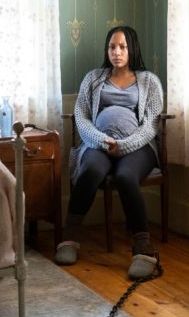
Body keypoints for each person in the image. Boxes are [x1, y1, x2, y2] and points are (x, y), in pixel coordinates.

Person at [55, 25, 164, 280]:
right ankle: (70, 238)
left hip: (138, 147)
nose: (116, 52)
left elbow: (151, 125)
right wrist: (102, 141)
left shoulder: (149, 81)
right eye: (112, 47)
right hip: (98, 145)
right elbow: (81, 118)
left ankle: (143, 250)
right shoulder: (93, 78)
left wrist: (123, 146)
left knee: (126, 178)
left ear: (132, 48)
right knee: (90, 171)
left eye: (122, 47)